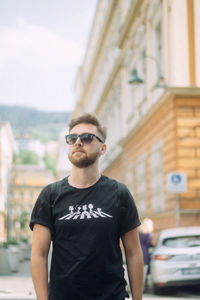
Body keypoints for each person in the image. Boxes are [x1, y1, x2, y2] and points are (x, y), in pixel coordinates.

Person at [30, 112, 144, 300]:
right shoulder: (50, 195)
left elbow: (133, 253)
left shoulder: (119, 194)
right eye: (72, 138)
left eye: (87, 137)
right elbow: (39, 254)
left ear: (102, 148)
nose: (78, 142)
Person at [138, 218, 153, 290]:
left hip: (138, 251)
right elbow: (148, 243)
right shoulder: (148, 233)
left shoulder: (139, 231)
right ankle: (144, 285)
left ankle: (139, 285)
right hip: (145, 252)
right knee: (145, 270)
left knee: (139, 270)